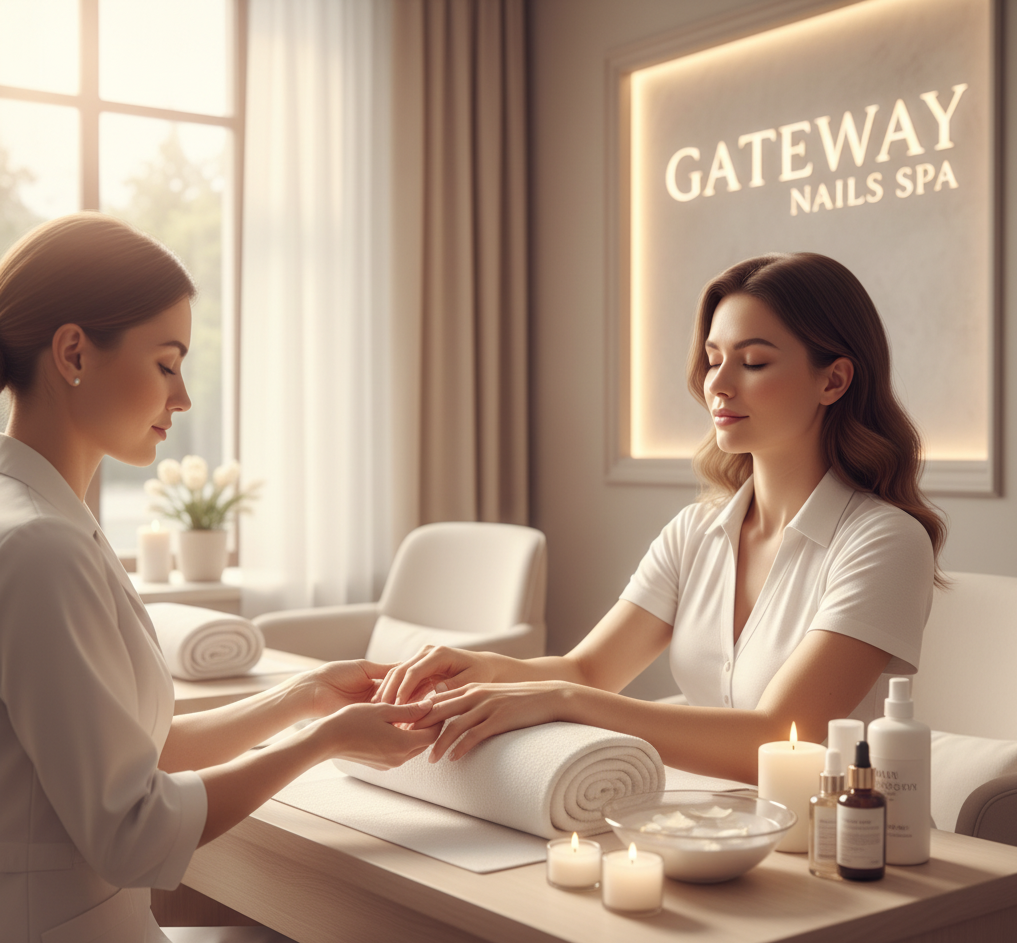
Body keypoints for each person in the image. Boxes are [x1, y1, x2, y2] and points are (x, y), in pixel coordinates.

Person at [0, 213, 439, 943]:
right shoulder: (41, 545)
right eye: (165, 364)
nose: (182, 398)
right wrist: (322, 741)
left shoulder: (41, 517)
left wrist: (303, 697)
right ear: (73, 351)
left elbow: (134, 752)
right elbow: (131, 831)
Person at [377, 252, 944, 787]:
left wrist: (563, 702)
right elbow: (589, 670)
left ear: (833, 380)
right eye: (714, 359)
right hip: (709, 825)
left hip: (843, 837)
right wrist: (481, 668)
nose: (717, 384)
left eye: (753, 362)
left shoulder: (885, 542)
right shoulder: (696, 532)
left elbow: (776, 737)